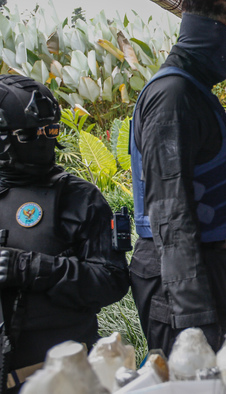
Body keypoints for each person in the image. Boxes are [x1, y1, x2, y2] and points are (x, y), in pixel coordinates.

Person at [130, 0, 226, 355]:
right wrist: (191, 312)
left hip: (198, 262)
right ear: (220, 32)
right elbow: (170, 210)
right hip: (177, 275)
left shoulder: (192, 90)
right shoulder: (174, 96)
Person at [0, 75, 129, 391]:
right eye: (29, 134)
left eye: (51, 131)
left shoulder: (78, 198)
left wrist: (33, 268)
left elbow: (112, 281)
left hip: (61, 375)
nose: (44, 141)